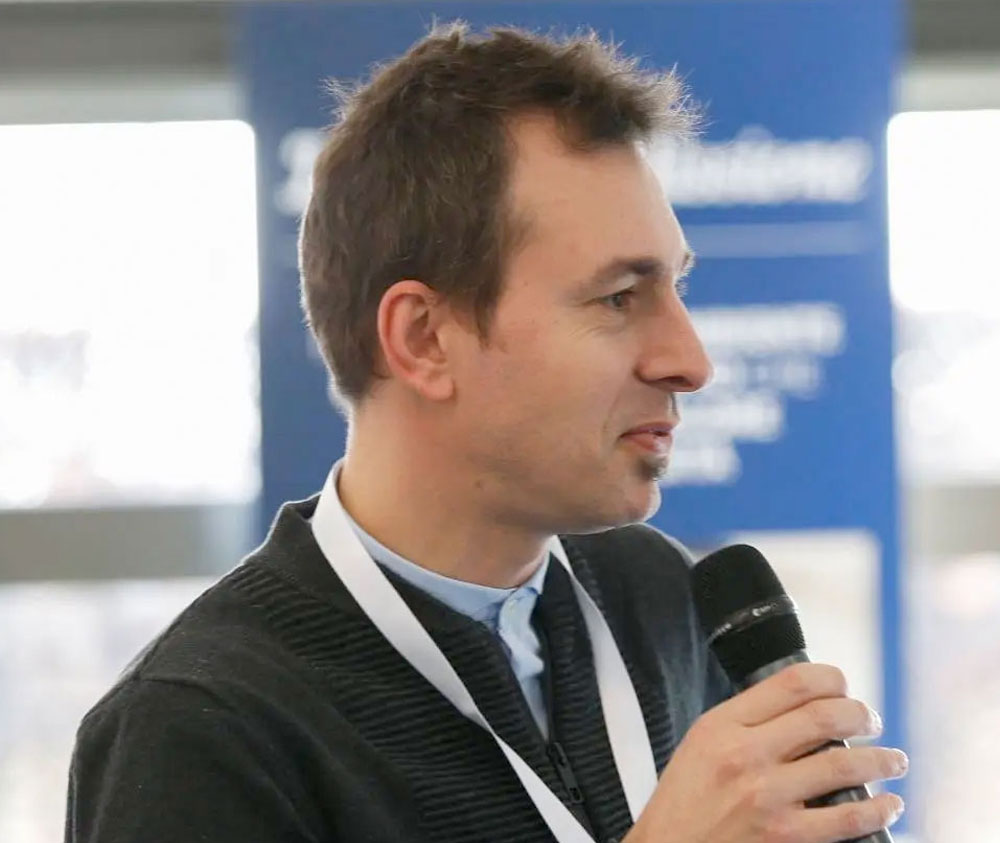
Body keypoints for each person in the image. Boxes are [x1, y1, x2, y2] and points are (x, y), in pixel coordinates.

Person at [65, 23, 907, 843]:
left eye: (676, 289)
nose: (690, 361)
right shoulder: (196, 729)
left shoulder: (657, 597)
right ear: (425, 339)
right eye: (619, 297)